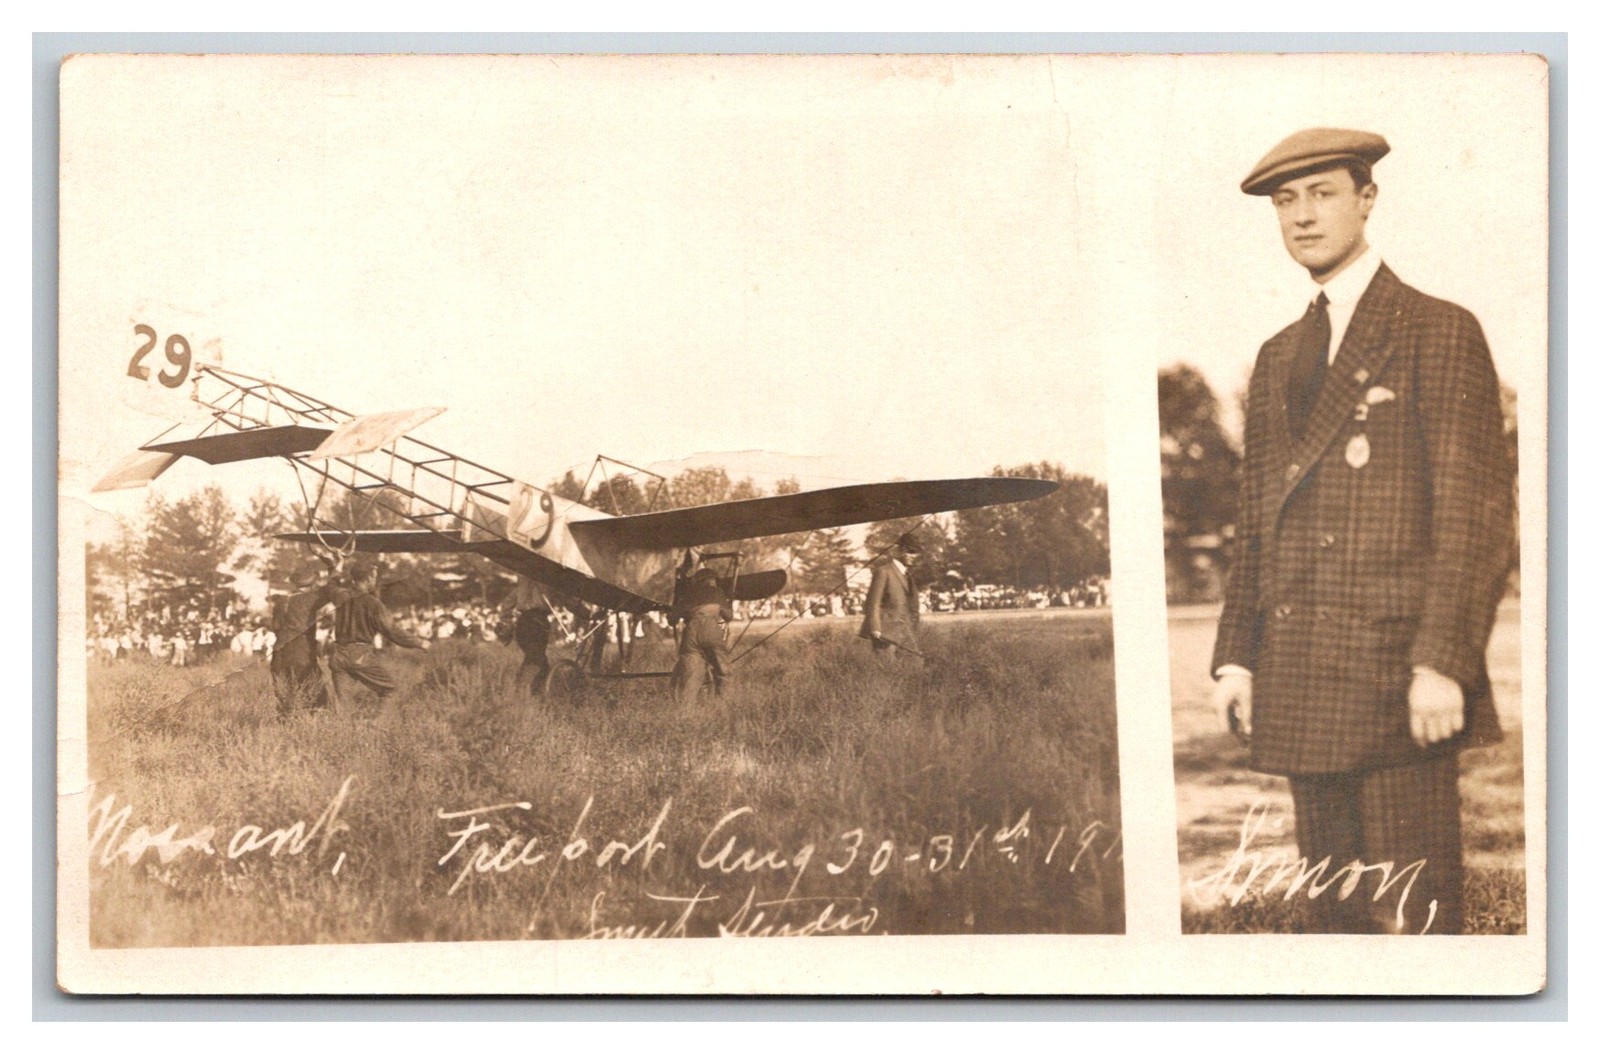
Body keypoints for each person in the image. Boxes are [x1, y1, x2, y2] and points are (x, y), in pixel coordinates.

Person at [1210, 128, 1515, 934]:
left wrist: (1443, 662)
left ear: (1367, 199)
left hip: (1397, 680)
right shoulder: (1278, 356)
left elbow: (1476, 512)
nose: (1302, 216)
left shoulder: (1436, 328)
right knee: (1334, 920)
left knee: (1417, 918)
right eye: (1285, 201)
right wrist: (1237, 656)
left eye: (1323, 193)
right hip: (1302, 677)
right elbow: (1255, 526)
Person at [327, 562, 430, 716]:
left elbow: (331, 585)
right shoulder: (373, 603)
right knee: (391, 691)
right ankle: (377, 729)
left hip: (338, 655)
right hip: (359, 653)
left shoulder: (340, 596)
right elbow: (391, 631)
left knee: (343, 704)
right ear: (368, 579)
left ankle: (344, 735)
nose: (375, 582)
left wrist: (335, 566)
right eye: (374, 578)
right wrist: (420, 643)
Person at [269, 564, 335, 716]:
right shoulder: (311, 598)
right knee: (316, 695)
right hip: (302, 652)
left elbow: (275, 626)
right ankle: (316, 729)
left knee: (285, 697)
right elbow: (331, 589)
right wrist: (334, 567)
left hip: (279, 653)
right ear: (312, 583)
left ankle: (286, 728)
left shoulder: (281, 601)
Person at [671, 566, 734, 703]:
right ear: (711, 580)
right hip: (712, 628)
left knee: (690, 676)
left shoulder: (688, 595)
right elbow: (728, 616)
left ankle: (685, 713)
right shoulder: (717, 592)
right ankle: (723, 706)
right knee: (723, 671)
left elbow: (672, 619)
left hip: (691, 632)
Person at [859, 534, 922, 661]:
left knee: (912, 667)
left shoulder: (908, 575)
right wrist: (875, 628)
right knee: (887, 669)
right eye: (910, 552)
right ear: (900, 551)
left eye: (915, 553)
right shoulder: (884, 571)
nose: (913, 556)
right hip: (885, 632)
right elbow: (873, 603)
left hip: (906, 632)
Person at [509, 574, 554, 696]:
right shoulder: (549, 582)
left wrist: (506, 621)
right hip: (538, 623)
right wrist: (589, 615)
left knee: (535, 658)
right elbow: (569, 601)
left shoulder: (522, 585)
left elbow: (506, 604)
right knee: (537, 659)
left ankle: (531, 692)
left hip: (522, 623)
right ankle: (526, 693)